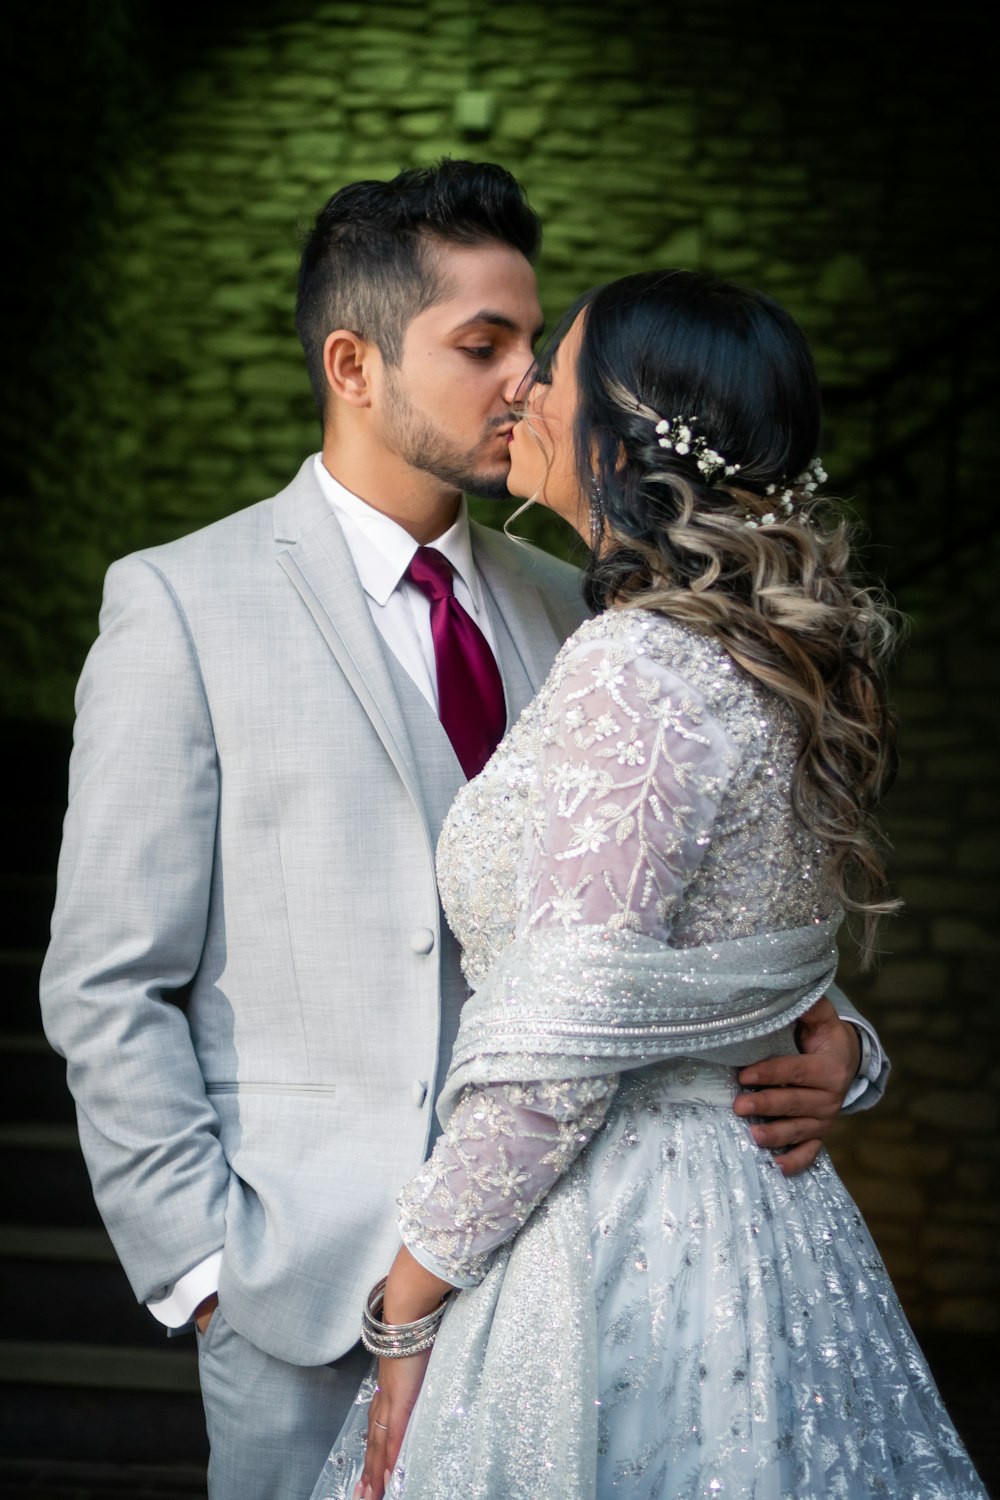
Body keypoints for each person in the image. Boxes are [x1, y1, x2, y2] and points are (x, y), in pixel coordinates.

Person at [40, 164, 883, 1500]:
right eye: (482, 346)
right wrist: (208, 1274)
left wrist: (834, 1041)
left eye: (534, 348)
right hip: (307, 1292)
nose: (523, 383)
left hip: (576, 1277)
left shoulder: (594, 609)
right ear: (353, 363)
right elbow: (105, 981)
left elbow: (666, 905)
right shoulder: (181, 607)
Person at [317, 270, 987, 1500]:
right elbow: (751, 950)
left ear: (615, 433)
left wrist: (406, 1308)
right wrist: (846, 1046)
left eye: (552, 371)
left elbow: (563, 1042)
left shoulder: (638, 663)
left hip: (610, 1240)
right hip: (766, 1227)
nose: (519, 387)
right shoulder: (766, 662)